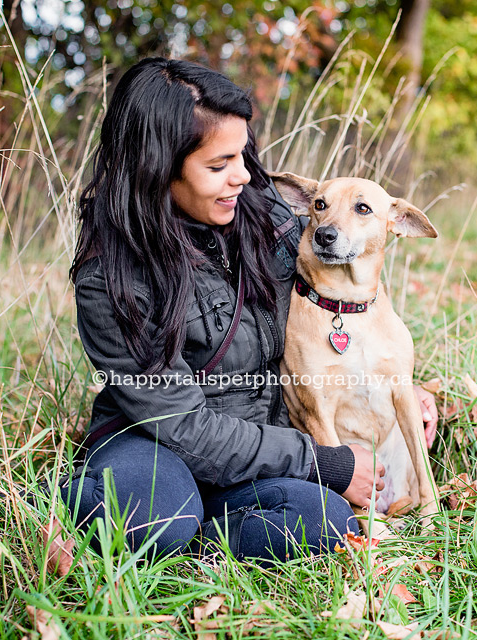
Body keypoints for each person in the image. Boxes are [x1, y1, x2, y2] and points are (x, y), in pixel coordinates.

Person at [65, 57, 438, 564]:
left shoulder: (265, 215)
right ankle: (102, 507)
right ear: (157, 168)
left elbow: (343, 303)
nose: (242, 176)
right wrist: (321, 461)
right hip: (158, 446)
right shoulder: (111, 279)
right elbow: (180, 424)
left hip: (263, 444)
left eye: (242, 155)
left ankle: (205, 532)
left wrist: (392, 387)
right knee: (157, 513)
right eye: (218, 166)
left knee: (325, 518)